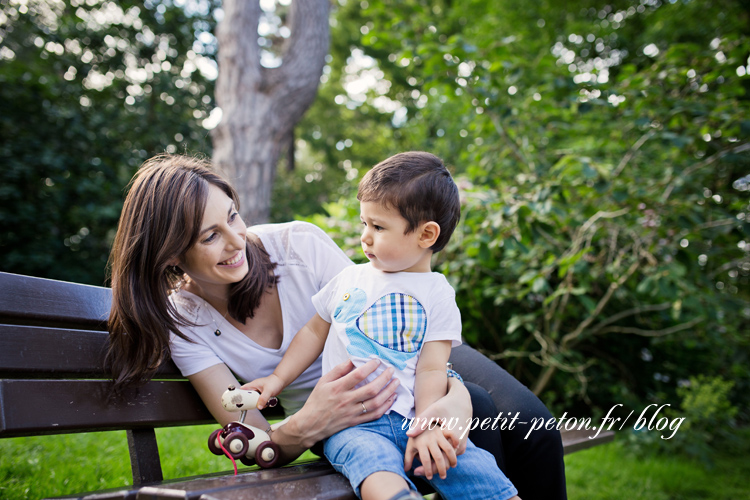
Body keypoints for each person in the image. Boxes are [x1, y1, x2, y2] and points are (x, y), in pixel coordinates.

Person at [106, 153, 566, 499]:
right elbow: (254, 436)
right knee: (476, 418)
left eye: (232, 216)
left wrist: (452, 396)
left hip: (406, 356)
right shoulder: (184, 323)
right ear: (169, 253)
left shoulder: (297, 245)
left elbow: (384, 305)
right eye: (210, 236)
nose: (236, 241)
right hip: (346, 424)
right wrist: (311, 419)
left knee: (524, 424)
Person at [247, 152, 520, 500]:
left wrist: (426, 425)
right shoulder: (349, 279)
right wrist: (276, 380)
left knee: (475, 468)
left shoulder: (437, 293)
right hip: (351, 426)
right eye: (364, 223)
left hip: (412, 421)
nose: (365, 237)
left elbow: (432, 368)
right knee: (373, 464)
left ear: (426, 235)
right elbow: (314, 332)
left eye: (378, 227)